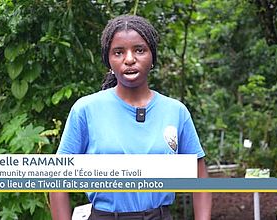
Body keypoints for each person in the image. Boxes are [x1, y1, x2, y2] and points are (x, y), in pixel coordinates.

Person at [49, 15, 212, 220]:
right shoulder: (86, 110)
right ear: (108, 60)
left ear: (152, 56)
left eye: (139, 50)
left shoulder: (176, 111)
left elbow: (201, 180)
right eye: (118, 52)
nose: (129, 59)